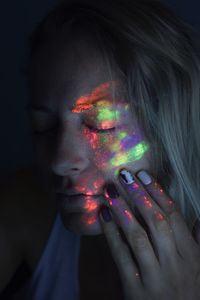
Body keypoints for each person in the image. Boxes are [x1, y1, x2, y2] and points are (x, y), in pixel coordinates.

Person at [1, 0, 200, 299]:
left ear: (170, 125)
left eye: (100, 125)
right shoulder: (25, 208)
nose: (60, 161)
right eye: (42, 125)